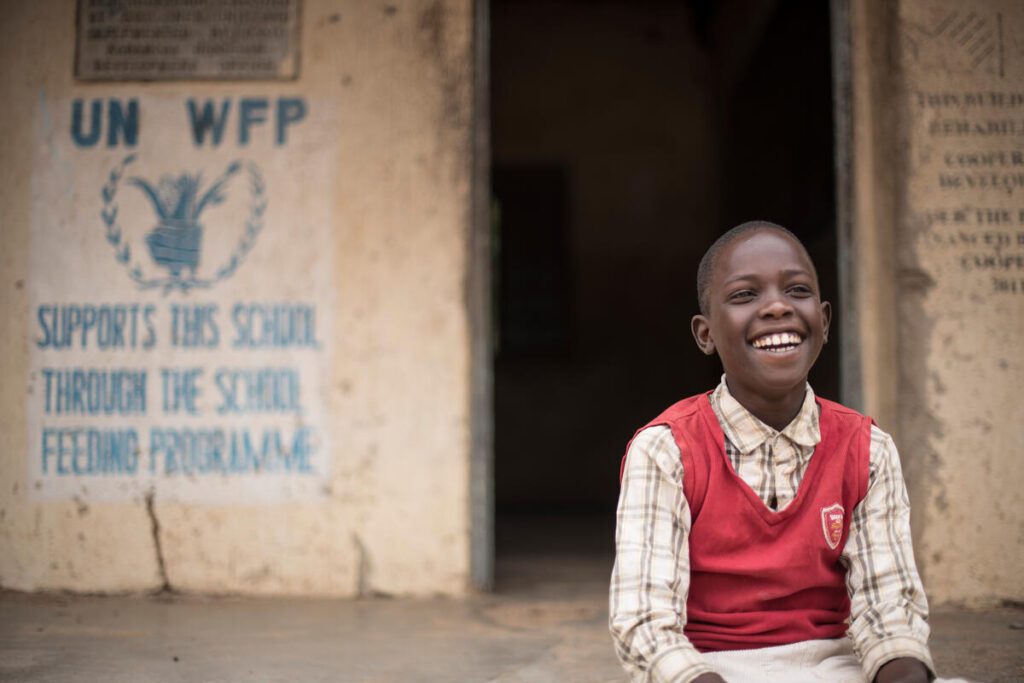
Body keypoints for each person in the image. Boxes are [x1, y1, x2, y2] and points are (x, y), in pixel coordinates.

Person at [609, 222, 966, 683]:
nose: (777, 307)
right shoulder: (666, 450)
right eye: (744, 296)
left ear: (824, 320)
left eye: (796, 290)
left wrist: (903, 673)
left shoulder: (867, 450)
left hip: (834, 666)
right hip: (704, 670)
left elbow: (888, 611)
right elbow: (644, 623)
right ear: (705, 334)